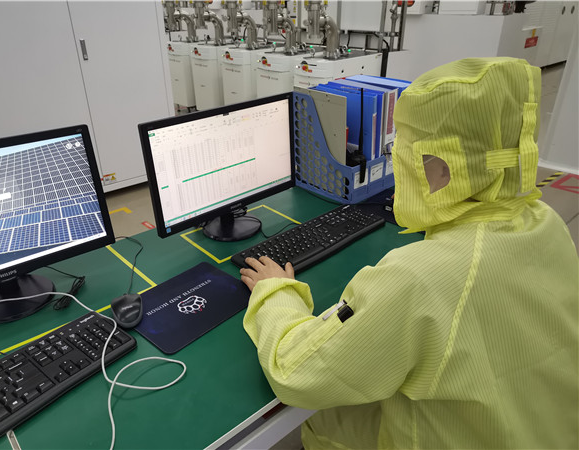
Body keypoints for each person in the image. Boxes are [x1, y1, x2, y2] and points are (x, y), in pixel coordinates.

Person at [239, 57, 578, 449]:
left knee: (326, 419)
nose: (398, 164)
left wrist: (276, 292)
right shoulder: (546, 221)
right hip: (542, 431)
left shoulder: (418, 277)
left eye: (403, 151)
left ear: (445, 169)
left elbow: (296, 372)